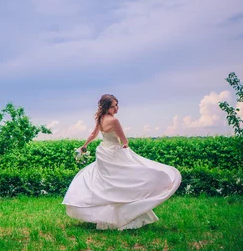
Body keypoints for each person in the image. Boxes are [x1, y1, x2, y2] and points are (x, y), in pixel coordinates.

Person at [62, 94, 181, 230]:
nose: (116, 108)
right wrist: (125, 145)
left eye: (117, 105)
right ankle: (128, 213)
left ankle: (109, 217)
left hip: (104, 152)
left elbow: (93, 134)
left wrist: (84, 146)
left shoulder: (100, 119)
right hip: (114, 152)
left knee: (107, 184)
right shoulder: (114, 121)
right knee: (126, 179)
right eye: (113, 106)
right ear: (107, 107)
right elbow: (124, 140)